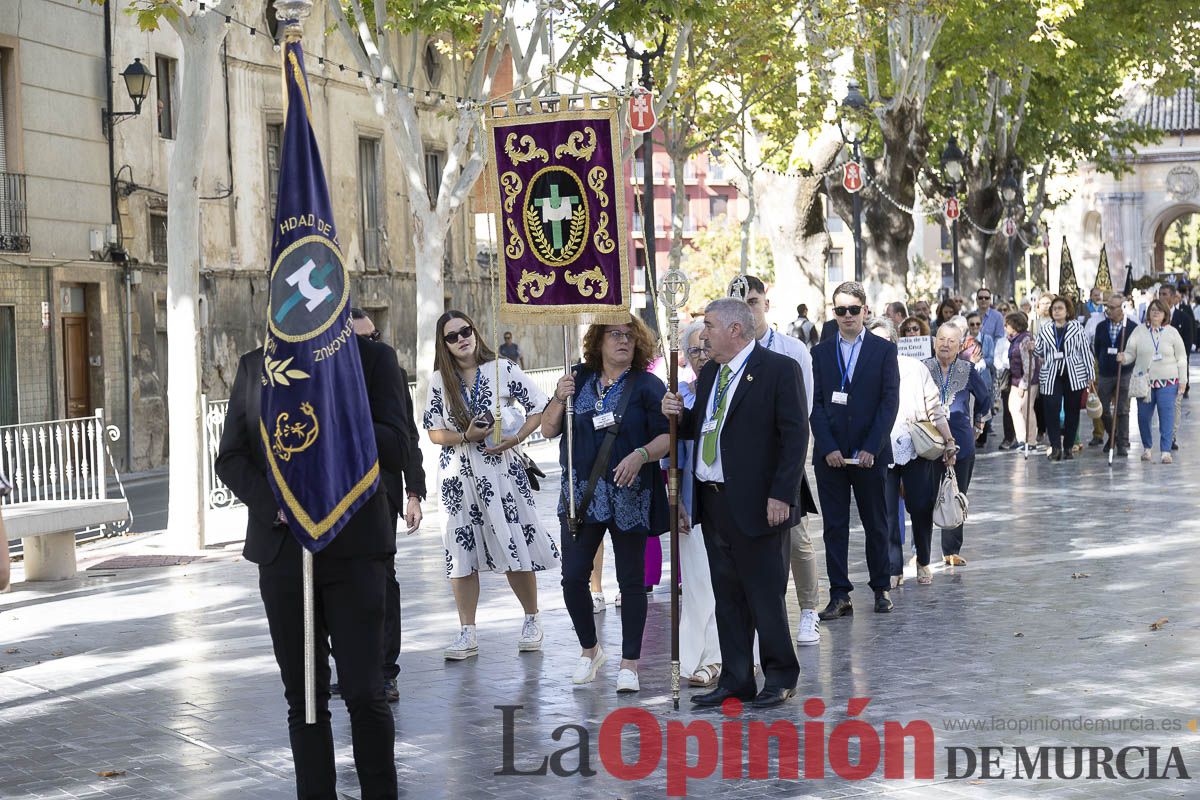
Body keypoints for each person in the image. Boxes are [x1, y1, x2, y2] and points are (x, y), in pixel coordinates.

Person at [215, 331, 411, 799]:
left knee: (365, 693)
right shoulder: (254, 366)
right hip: (284, 555)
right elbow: (231, 457)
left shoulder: (374, 360)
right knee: (304, 698)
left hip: (357, 551)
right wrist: (275, 505)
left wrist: (338, 403)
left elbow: (398, 448)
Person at [661, 297, 807, 709]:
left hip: (760, 502)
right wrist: (674, 414)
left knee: (764, 594)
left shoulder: (778, 370)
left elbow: (795, 437)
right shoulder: (712, 376)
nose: (702, 333)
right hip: (716, 501)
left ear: (735, 330)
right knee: (727, 596)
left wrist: (782, 494)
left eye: (708, 325)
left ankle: (779, 675)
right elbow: (700, 427)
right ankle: (736, 678)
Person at [542, 314, 669, 694]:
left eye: (630, 336)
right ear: (598, 341)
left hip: (630, 494)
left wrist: (641, 455)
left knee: (632, 581)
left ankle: (629, 663)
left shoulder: (648, 386)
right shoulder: (578, 379)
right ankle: (590, 649)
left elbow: (667, 437)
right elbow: (550, 429)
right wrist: (557, 396)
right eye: (615, 335)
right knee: (572, 578)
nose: (623, 341)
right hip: (581, 495)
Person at [422, 310, 557, 661]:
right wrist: (465, 436)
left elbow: (538, 407)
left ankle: (532, 618)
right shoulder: (440, 381)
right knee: (460, 552)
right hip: (457, 476)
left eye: (465, 330)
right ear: (445, 344)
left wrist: (514, 440)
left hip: (501, 473)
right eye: (452, 336)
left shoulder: (502, 369)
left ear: (475, 331)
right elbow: (434, 431)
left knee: (512, 541)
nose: (461, 339)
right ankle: (467, 630)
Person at [736, 275, 820, 645]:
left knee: (797, 537)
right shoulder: (727, 351)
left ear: (766, 304)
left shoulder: (793, 351)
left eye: (753, 301)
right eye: (740, 303)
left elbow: (802, 414)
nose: (748, 310)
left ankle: (808, 610)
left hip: (784, 457)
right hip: (743, 462)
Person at [810, 282, 900, 617]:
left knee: (876, 522)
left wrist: (871, 447)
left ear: (865, 310)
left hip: (868, 454)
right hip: (831, 457)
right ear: (833, 313)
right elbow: (815, 405)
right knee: (834, 526)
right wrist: (828, 447)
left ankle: (881, 588)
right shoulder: (820, 353)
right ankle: (839, 594)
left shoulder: (883, 350)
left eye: (853, 309)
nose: (847, 316)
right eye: (840, 310)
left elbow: (889, 402)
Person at [349, 309, 425, 704]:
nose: (370, 344)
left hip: (382, 494)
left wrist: (414, 492)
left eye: (373, 335)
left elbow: (407, 436)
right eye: (361, 338)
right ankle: (351, 667)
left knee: (383, 583)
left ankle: (385, 671)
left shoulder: (387, 370)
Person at [866, 317, 955, 588]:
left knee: (920, 506)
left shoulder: (914, 368)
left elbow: (935, 408)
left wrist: (949, 440)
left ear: (894, 342)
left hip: (917, 446)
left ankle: (924, 560)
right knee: (888, 511)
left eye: (884, 340)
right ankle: (894, 567)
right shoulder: (865, 372)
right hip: (882, 448)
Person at [668, 321, 723, 687]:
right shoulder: (680, 397)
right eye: (694, 351)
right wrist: (676, 503)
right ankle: (697, 655)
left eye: (707, 347)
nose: (702, 356)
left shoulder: (728, 386)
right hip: (690, 504)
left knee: (724, 586)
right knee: (698, 585)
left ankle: (719, 658)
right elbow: (670, 459)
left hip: (727, 502)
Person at [924, 321, 991, 566]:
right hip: (927, 442)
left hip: (961, 442)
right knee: (923, 497)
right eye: (942, 339)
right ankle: (919, 550)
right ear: (934, 342)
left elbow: (985, 399)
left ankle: (950, 550)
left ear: (960, 345)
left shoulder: (967, 369)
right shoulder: (922, 368)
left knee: (955, 495)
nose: (946, 344)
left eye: (952, 341)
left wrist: (979, 424)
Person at [1119, 299, 1188, 463]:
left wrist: (1183, 380)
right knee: (1143, 417)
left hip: (1168, 382)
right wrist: (1123, 358)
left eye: (1159, 311)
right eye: (1153, 310)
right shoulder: (1139, 331)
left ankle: (1166, 451)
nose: (1155, 313)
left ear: (1165, 314)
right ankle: (1147, 448)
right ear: (1148, 313)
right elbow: (1130, 353)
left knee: (1167, 416)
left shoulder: (1172, 332)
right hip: (1145, 382)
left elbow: (1181, 358)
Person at [1033, 295, 1095, 461]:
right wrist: (1032, 347)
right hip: (1051, 373)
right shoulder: (1045, 329)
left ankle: (1068, 447)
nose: (1056, 311)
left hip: (1073, 373)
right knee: (1051, 411)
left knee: (1072, 411)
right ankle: (1055, 447)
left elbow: (1085, 352)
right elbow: (1038, 351)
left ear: (1068, 311)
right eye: (1054, 309)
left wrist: (1090, 375)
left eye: (1060, 308)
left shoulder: (1077, 328)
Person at [1093, 294, 1137, 458]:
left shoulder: (1131, 327)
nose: (1108, 310)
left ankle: (1122, 442)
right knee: (1102, 408)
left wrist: (1126, 359)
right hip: (1105, 373)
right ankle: (1114, 436)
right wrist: (1104, 361)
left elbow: (1134, 351)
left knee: (1122, 409)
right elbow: (1097, 348)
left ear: (1122, 308)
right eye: (1107, 307)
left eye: (1112, 307)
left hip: (1124, 372)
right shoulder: (1101, 327)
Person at [1161, 284, 1195, 439]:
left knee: (1175, 405)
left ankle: (1171, 436)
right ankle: (1165, 434)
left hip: (1176, 370)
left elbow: (1186, 348)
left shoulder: (1184, 318)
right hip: (1158, 370)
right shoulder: (1155, 319)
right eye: (1160, 293)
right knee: (1161, 406)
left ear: (1174, 297)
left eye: (1165, 294)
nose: (1162, 297)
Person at [1005, 312, 1038, 454]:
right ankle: (1021, 438)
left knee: (1026, 408)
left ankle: (1031, 440)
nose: (1005, 327)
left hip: (1027, 380)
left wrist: (1024, 384)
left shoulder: (1025, 339)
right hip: (1016, 378)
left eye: (1007, 325)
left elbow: (1029, 364)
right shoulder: (1014, 339)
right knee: (1013, 407)